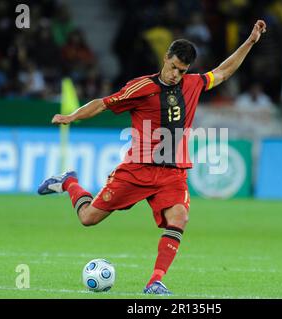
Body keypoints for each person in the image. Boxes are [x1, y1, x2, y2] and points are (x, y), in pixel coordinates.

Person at [38, 20, 267, 294]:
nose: (175, 75)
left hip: (172, 173)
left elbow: (223, 72)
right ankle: (68, 182)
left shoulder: (193, 84)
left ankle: (155, 281)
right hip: (138, 169)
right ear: (165, 58)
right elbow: (103, 103)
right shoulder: (141, 87)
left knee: (179, 217)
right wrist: (72, 117)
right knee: (88, 218)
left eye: (182, 71)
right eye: (173, 67)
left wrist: (251, 41)